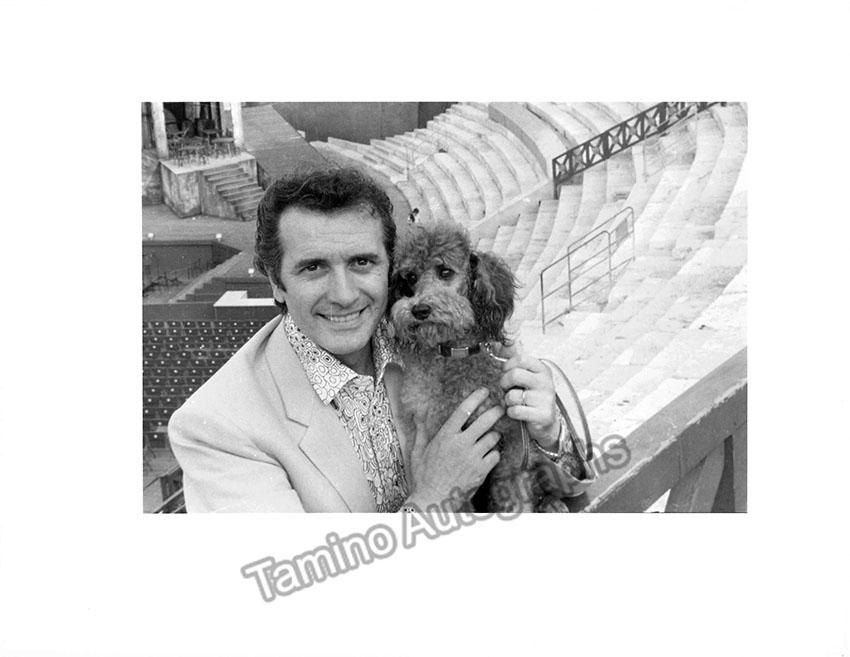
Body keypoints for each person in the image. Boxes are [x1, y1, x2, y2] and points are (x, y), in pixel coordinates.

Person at [168, 168, 593, 512]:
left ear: (390, 268)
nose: (344, 294)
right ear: (276, 283)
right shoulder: (217, 428)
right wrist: (433, 499)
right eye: (313, 267)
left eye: (362, 262)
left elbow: (563, 484)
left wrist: (549, 437)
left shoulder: (437, 338)